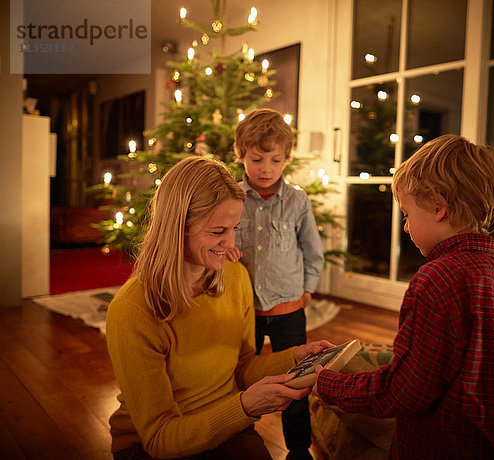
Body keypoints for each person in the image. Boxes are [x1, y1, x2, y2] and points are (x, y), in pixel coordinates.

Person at [314, 134, 494, 459]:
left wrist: (329, 385)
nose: (405, 227)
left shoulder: (436, 279)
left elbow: (404, 391)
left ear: (438, 207)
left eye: (407, 214)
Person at [106, 156, 332, 460]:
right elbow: (160, 438)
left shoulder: (235, 276)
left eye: (235, 228)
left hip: (225, 425)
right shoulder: (133, 309)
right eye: (217, 231)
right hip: (155, 445)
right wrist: (246, 406)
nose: (230, 243)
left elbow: (243, 366)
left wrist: (294, 358)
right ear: (177, 227)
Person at [226, 108, 324, 459]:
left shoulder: (297, 201)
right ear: (241, 156)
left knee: (294, 380)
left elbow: (312, 250)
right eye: (256, 159)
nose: (266, 168)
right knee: (240, 376)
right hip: (243, 310)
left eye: (275, 159)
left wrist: (308, 287)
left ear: (287, 159)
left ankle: (298, 448)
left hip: (288, 309)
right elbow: (219, 243)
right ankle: (241, 439)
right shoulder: (231, 199)